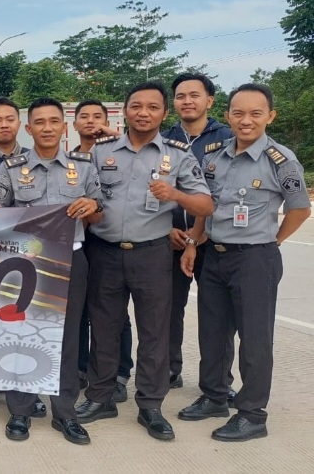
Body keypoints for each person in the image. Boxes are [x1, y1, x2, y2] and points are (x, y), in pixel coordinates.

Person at [75, 81, 214, 442]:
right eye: (136, 106)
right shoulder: (100, 152)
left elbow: (205, 204)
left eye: (153, 107)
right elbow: (81, 195)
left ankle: (151, 405)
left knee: (154, 331)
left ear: (164, 113)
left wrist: (176, 194)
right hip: (104, 251)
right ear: (125, 111)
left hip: (152, 254)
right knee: (103, 328)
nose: (143, 113)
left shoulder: (178, 155)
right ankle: (100, 397)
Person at [178, 84, 310, 441]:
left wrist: (273, 241)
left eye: (255, 113)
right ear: (228, 115)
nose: (246, 120)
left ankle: (252, 415)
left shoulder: (280, 160)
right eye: (238, 113)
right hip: (214, 255)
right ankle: (215, 396)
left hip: (254, 259)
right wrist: (193, 242)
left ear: (270, 116)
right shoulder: (215, 156)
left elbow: (300, 208)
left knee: (254, 339)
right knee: (213, 332)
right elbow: (206, 206)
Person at [0, 98, 103, 445]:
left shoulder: (83, 167)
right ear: (29, 128)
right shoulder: (12, 168)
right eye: (39, 122)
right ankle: (20, 410)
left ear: (64, 126)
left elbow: (99, 214)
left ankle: (65, 412)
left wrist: (92, 206)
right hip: (24, 263)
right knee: (21, 335)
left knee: (68, 337)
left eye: (54, 121)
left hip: (71, 259)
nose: (47, 128)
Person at [161, 73, 234, 393]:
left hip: (213, 241)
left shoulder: (229, 138)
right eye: (180, 96)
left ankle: (218, 384)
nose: (187, 101)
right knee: (167, 311)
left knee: (217, 315)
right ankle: (168, 370)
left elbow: (229, 192)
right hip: (171, 239)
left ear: (210, 101)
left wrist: (199, 232)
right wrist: (168, 229)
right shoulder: (163, 139)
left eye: (194, 95)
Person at [0, 97, 44, 417]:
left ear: (20, 124)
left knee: (24, 324)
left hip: (27, 256)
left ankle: (29, 390)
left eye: (10, 119)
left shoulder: (35, 159)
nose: (4, 124)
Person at [72, 100, 133, 402]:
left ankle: (120, 373)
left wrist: (113, 135)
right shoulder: (68, 161)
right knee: (80, 310)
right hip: (77, 242)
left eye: (98, 116)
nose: (91, 121)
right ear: (74, 124)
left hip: (109, 240)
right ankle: (81, 367)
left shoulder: (119, 154)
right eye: (84, 116)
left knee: (114, 312)